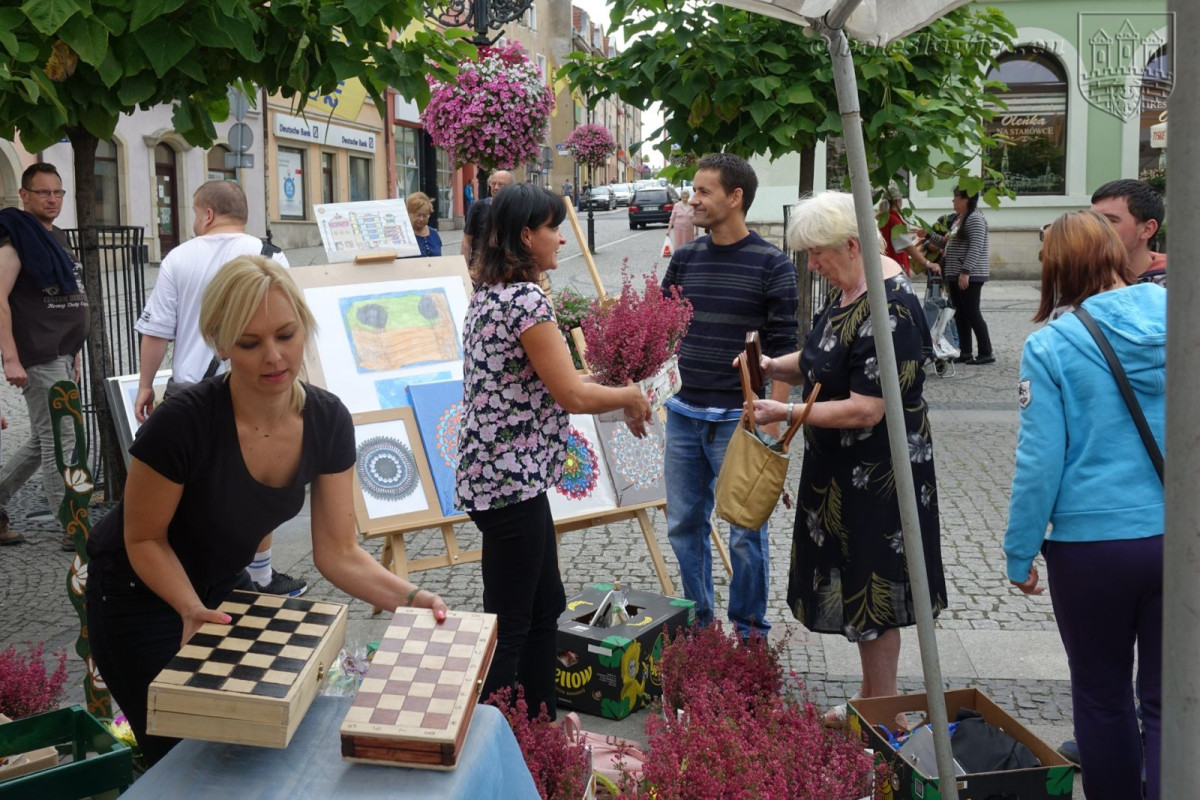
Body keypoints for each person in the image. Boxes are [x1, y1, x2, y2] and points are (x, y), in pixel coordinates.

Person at [86, 255, 450, 765]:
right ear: (219, 343)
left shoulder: (327, 420)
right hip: (136, 596)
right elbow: (143, 538)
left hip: (219, 589)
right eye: (249, 343)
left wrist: (410, 597)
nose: (274, 357)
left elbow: (338, 552)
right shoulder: (182, 423)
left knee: (251, 745)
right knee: (180, 755)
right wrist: (188, 608)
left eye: (286, 334)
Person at [456, 184, 650, 721]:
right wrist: (631, 394)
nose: (562, 238)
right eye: (552, 227)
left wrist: (615, 382)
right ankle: (504, 737)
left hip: (503, 480)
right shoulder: (526, 300)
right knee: (515, 623)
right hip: (509, 484)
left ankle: (538, 722)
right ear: (526, 236)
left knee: (544, 609)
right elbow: (572, 394)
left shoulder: (491, 294)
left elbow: (552, 381)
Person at [750, 191, 946, 722]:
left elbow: (867, 408)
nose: (811, 264)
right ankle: (874, 699)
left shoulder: (893, 308)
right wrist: (772, 364)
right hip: (841, 473)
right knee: (860, 586)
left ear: (853, 245)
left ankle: (883, 710)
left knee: (874, 590)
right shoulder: (850, 291)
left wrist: (787, 414)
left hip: (879, 476)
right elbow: (820, 358)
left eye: (817, 254)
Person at [1004, 210, 1164, 800]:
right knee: (1169, 700)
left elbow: (1040, 461)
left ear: (1056, 269)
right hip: (1176, 539)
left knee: (1101, 697)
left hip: (1092, 548)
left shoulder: (1052, 344)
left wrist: (1019, 552)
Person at [133, 180, 302, 597]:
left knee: (190, 496)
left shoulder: (177, 257)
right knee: (259, 487)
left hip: (191, 393)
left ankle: (193, 575)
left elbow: (157, 331)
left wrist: (144, 385)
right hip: (255, 391)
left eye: (194, 213)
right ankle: (259, 574)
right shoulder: (270, 256)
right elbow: (289, 320)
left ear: (207, 214)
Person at [662, 153, 798, 639]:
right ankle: (700, 628)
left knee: (745, 531)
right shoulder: (684, 258)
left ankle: (748, 634)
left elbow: (785, 347)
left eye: (703, 192)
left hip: (739, 420)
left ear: (735, 197)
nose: (693, 200)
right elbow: (662, 332)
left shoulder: (772, 264)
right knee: (683, 526)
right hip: (682, 412)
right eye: (693, 190)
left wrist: (772, 419)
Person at [0, 163, 88, 550]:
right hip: (37, 353)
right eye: (43, 192)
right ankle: (71, 524)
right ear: (24, 195)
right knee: (60, 437)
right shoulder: (14, 237)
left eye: (57, 193)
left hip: (62, 352)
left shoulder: (59, 236)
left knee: (42, 440)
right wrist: (10, 358)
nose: (52, 199)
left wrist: (75, 350)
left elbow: (71, 295)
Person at [922, 188, 992, 364]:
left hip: (969, 275)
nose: (952, 202)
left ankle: (986, 352)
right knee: (960, 314)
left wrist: (965, 271)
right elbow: (947, 242)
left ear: (966, 199)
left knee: (972, 312)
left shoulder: (975, 218)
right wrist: (928, 234)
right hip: (954, 274)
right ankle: (965, 352)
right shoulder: (959, 220)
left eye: (955, 198)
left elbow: (976, 247)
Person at [1090, 178, 1166, 286]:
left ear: (1147, 229)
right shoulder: (1080, 279)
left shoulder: (1178, 288)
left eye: (1110, 220)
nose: (1095, 228)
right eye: (1092, 219)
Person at [461, 170, 515, 273]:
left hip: (507, 270)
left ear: (510, 187)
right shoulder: (478, 207)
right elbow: (467, 241)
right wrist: (464, 270)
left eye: (501, 184)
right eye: (493, 183)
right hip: (479, 268)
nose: (496, 187)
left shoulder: (516, 209)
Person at [878, 184, 932, 275]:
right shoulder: (894, 220)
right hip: (895, 267)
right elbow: (907, 246)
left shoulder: (881, 218)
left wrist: (909, 232)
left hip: (883, 266)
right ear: (898, 201)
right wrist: (927, 263)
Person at [405, 192, 443, 258]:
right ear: (409, 213)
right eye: (418, 215)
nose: (421, 219)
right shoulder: (404, 234)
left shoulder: (434, 234)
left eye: (425, 216)